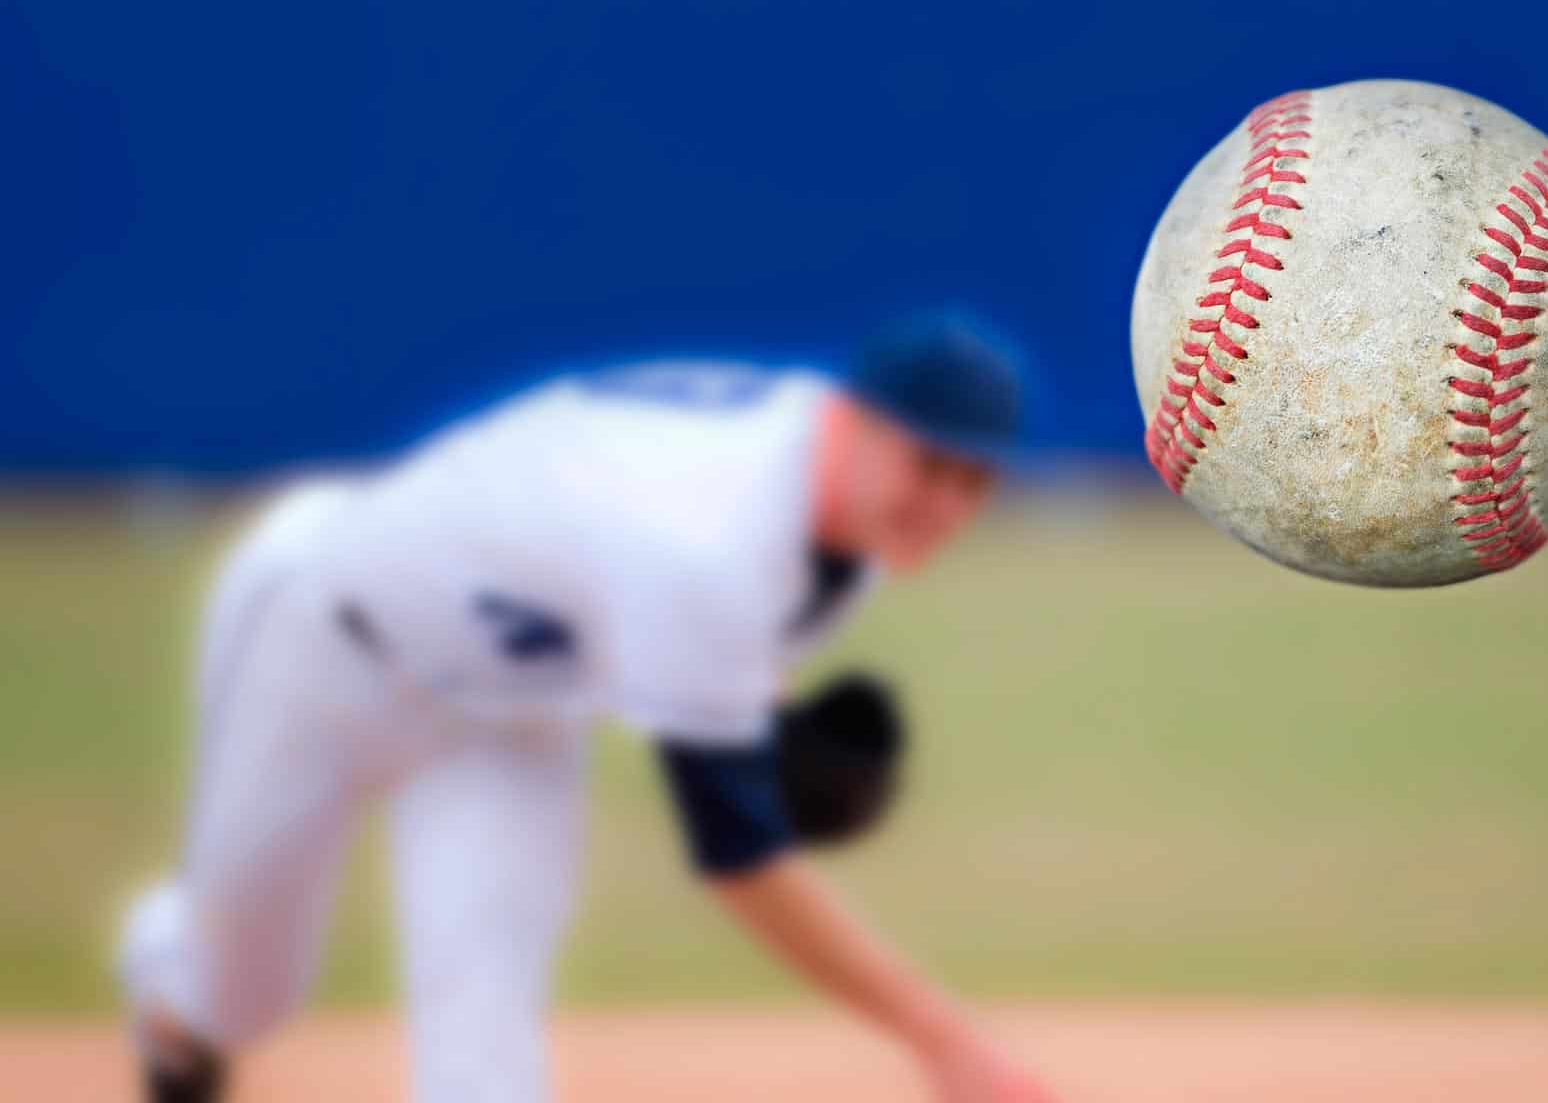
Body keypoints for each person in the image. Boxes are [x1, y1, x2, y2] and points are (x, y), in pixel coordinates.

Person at [117, 312, 1059, 1103]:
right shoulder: (710, 531)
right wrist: (946, 1042)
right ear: (855, 421)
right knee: (241, 998)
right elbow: (740, 856)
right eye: (929, 464)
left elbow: (713, 646)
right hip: (326, 638)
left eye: (972, 479)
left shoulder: (840, 526)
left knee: (485, 1057)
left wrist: (770, 727)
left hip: (512, 722)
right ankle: (170, 958)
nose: (946, 501)